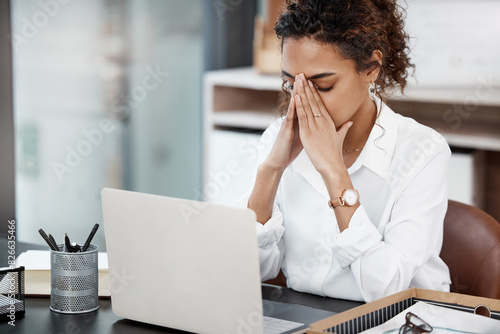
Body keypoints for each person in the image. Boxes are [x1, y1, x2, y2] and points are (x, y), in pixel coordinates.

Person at [245, 0, 452, 302]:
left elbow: (388, 289)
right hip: (309, 315)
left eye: (324, 86)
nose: (302, 101)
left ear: (371, 68)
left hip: (400, 319)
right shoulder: (279, 139)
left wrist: (334, 172)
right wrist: (271, 170)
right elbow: (251, 270)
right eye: (291, 84)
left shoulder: (423, 151)